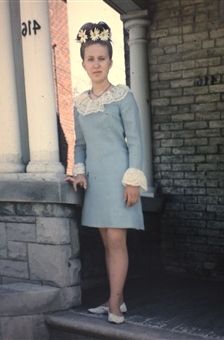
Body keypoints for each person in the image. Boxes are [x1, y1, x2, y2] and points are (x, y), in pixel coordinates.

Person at [66, 21, 147, 324]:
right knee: (106, 243)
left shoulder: (123, 97)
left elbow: (136, 141)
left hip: (120, 180)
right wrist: (79, 173)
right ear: (83, 63)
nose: (96, 64)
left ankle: (114, 305)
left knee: (116, 241)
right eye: (91, 59)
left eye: (102, 58)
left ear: (111, 61)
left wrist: (133, 181)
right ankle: (118, 300)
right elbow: (80, 144)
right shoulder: (80, 104)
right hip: (97, 184)